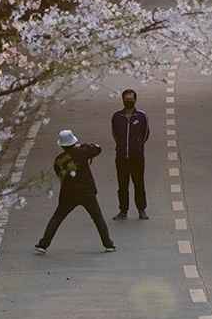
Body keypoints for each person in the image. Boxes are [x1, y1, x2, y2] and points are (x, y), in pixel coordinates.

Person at [35, 129, 116, 253]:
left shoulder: (59, 160)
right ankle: (108, 244)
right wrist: (83, 145)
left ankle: (43, 244)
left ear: (62, 145)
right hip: (87, 192)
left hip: (68, 193)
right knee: (97, 218)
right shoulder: (83, 152)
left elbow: (59, 174)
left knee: (57, 218)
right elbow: (98, 148)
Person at [110, 88, 150, 220]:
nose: (129, 101)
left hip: (137, 157)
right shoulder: (117, 117)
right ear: (122, 100)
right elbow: (115, 134)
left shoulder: (141, 116)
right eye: (126, 99)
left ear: (135, 100)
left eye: (131, 99)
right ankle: (123, 211)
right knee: (122, 185)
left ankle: (141, 209)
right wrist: (122, 146)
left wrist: (137, 146)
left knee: (139, 183)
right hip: (121, 157)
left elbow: (145, 134)